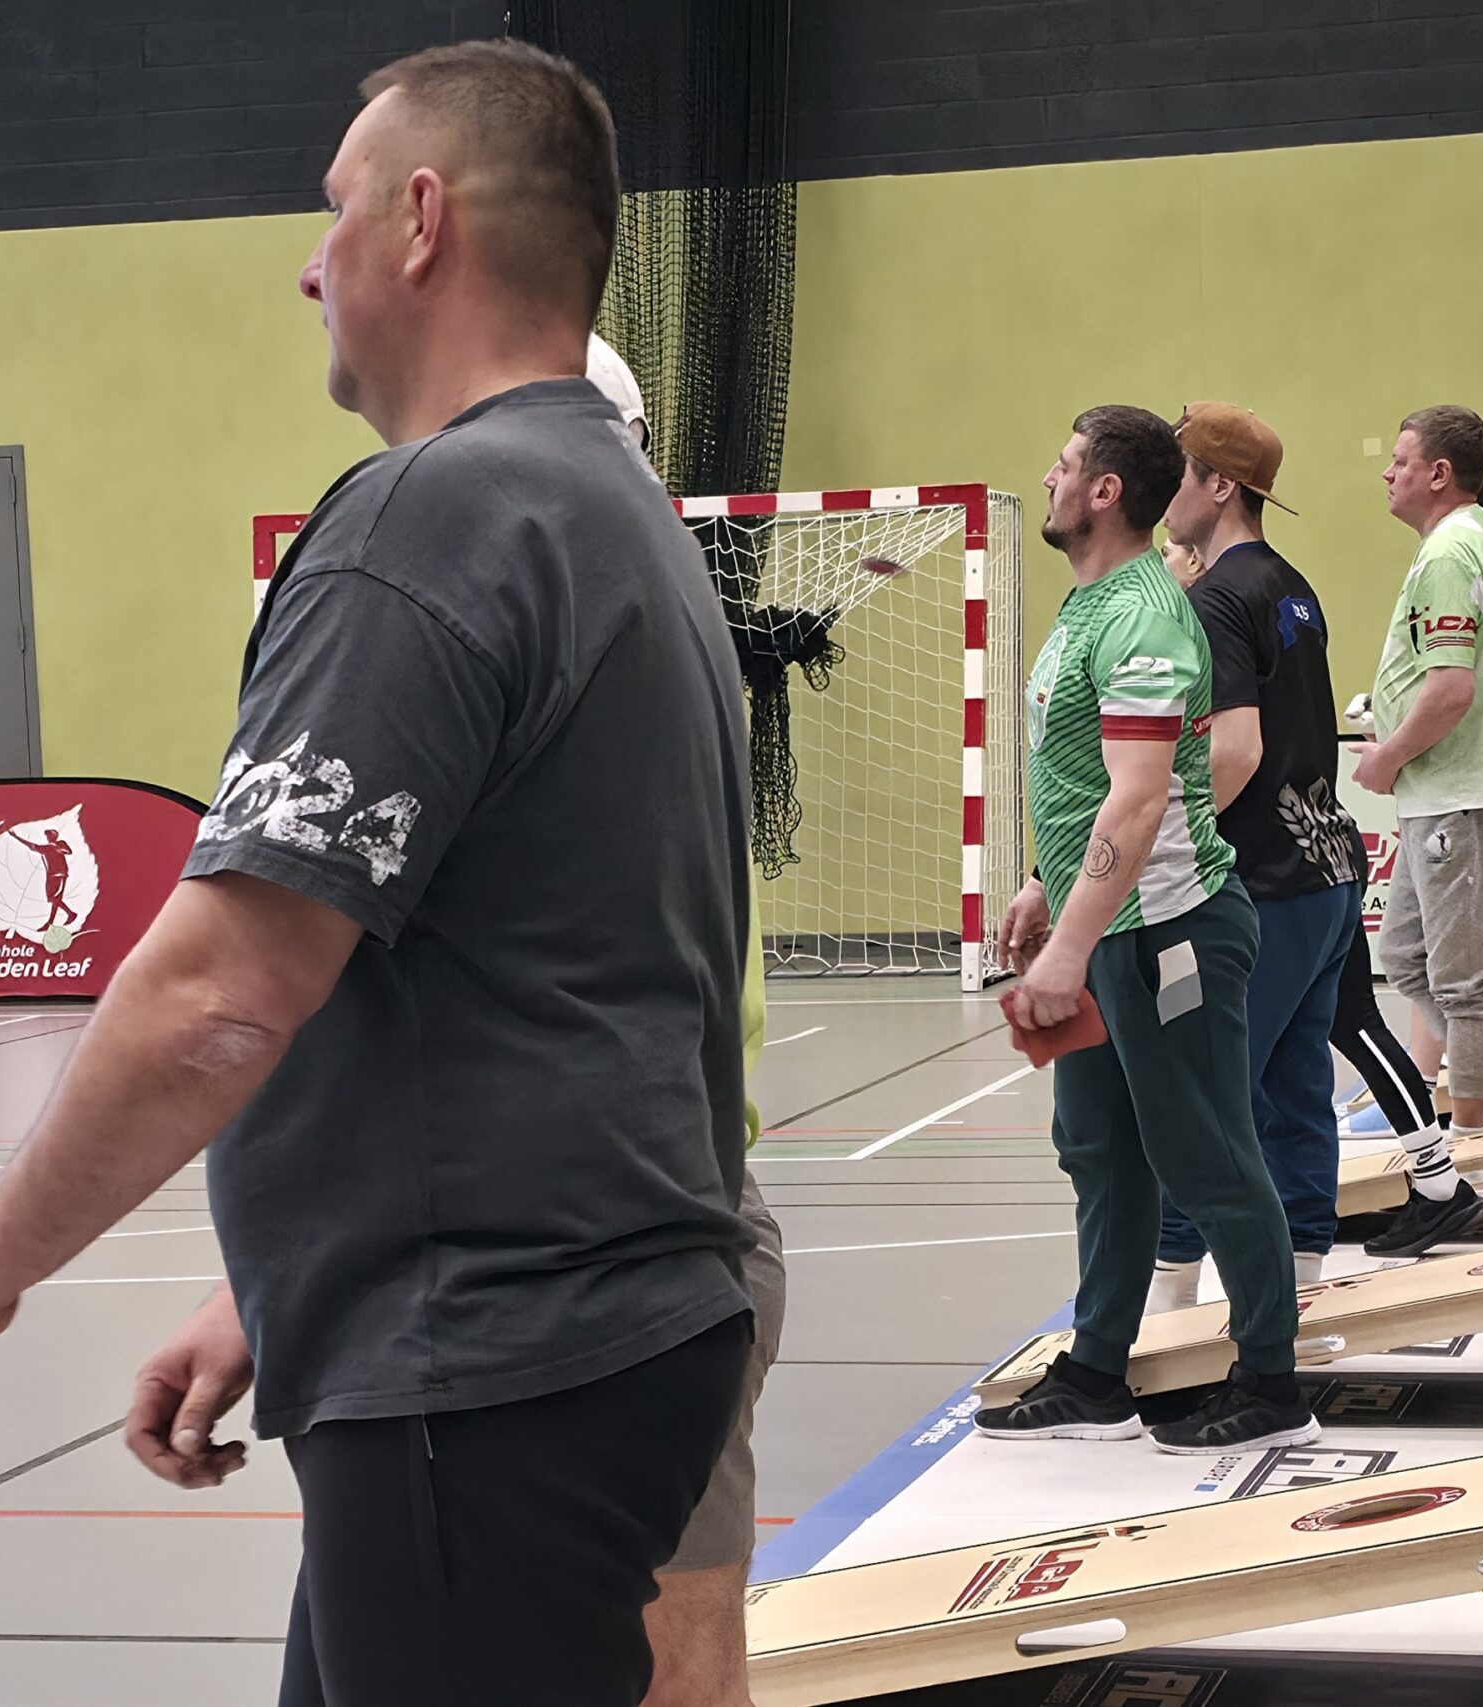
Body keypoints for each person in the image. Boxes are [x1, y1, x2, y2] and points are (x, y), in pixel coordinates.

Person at [0, 42, 758, 1707]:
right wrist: (276, 1291)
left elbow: (220, 992)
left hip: (487, 1368)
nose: (308, 263)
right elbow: (535, 971)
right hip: (567, 1335)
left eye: (333, 208)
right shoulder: (613, 509)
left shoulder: (434, 518)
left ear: (421, 221)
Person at [984, 404, 1310, 1456]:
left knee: (1203, 1151)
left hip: (1169, 931)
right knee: (1099, 1148)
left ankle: (1271, 1380)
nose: (1048, 477)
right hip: (1102, 926)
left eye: (1064, 465)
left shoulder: (1144, 619)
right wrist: (1045, 884)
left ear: (1105, 490)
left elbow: (1137, 800)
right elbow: (1087, 782)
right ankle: (1096, 1371)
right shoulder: (1088, 605)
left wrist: (1068, 950)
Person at [583, 327, 790, 1707]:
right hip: (683, 1197)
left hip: (639, 1218)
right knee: (677, 1606)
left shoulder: (604, 625)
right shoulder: (666, 610)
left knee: (674, 1619)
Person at [1146, 404, 1362, 1312]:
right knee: (1294, 1088)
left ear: (1219, 485)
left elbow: (1233, 751)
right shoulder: (1291, 585)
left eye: (1177, 474)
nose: (1164, 493)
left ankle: (1166, 1304)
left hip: (1262, 884)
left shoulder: (1216, 600)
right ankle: (1301, 1288)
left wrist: (1165, 844)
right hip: (1326, 874)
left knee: (1197, 1096)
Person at [1353, 405, 1483, 1258]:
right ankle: (1481, 1085)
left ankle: (1468, 1152)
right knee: (1404, 954)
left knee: (1464, 983)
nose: (1386, 472)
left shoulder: (1452, 553)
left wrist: (1385, 756)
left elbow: (1451, 689)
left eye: (1399, 460)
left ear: (1438, 472)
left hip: (1460, 794)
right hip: (1451, 793)